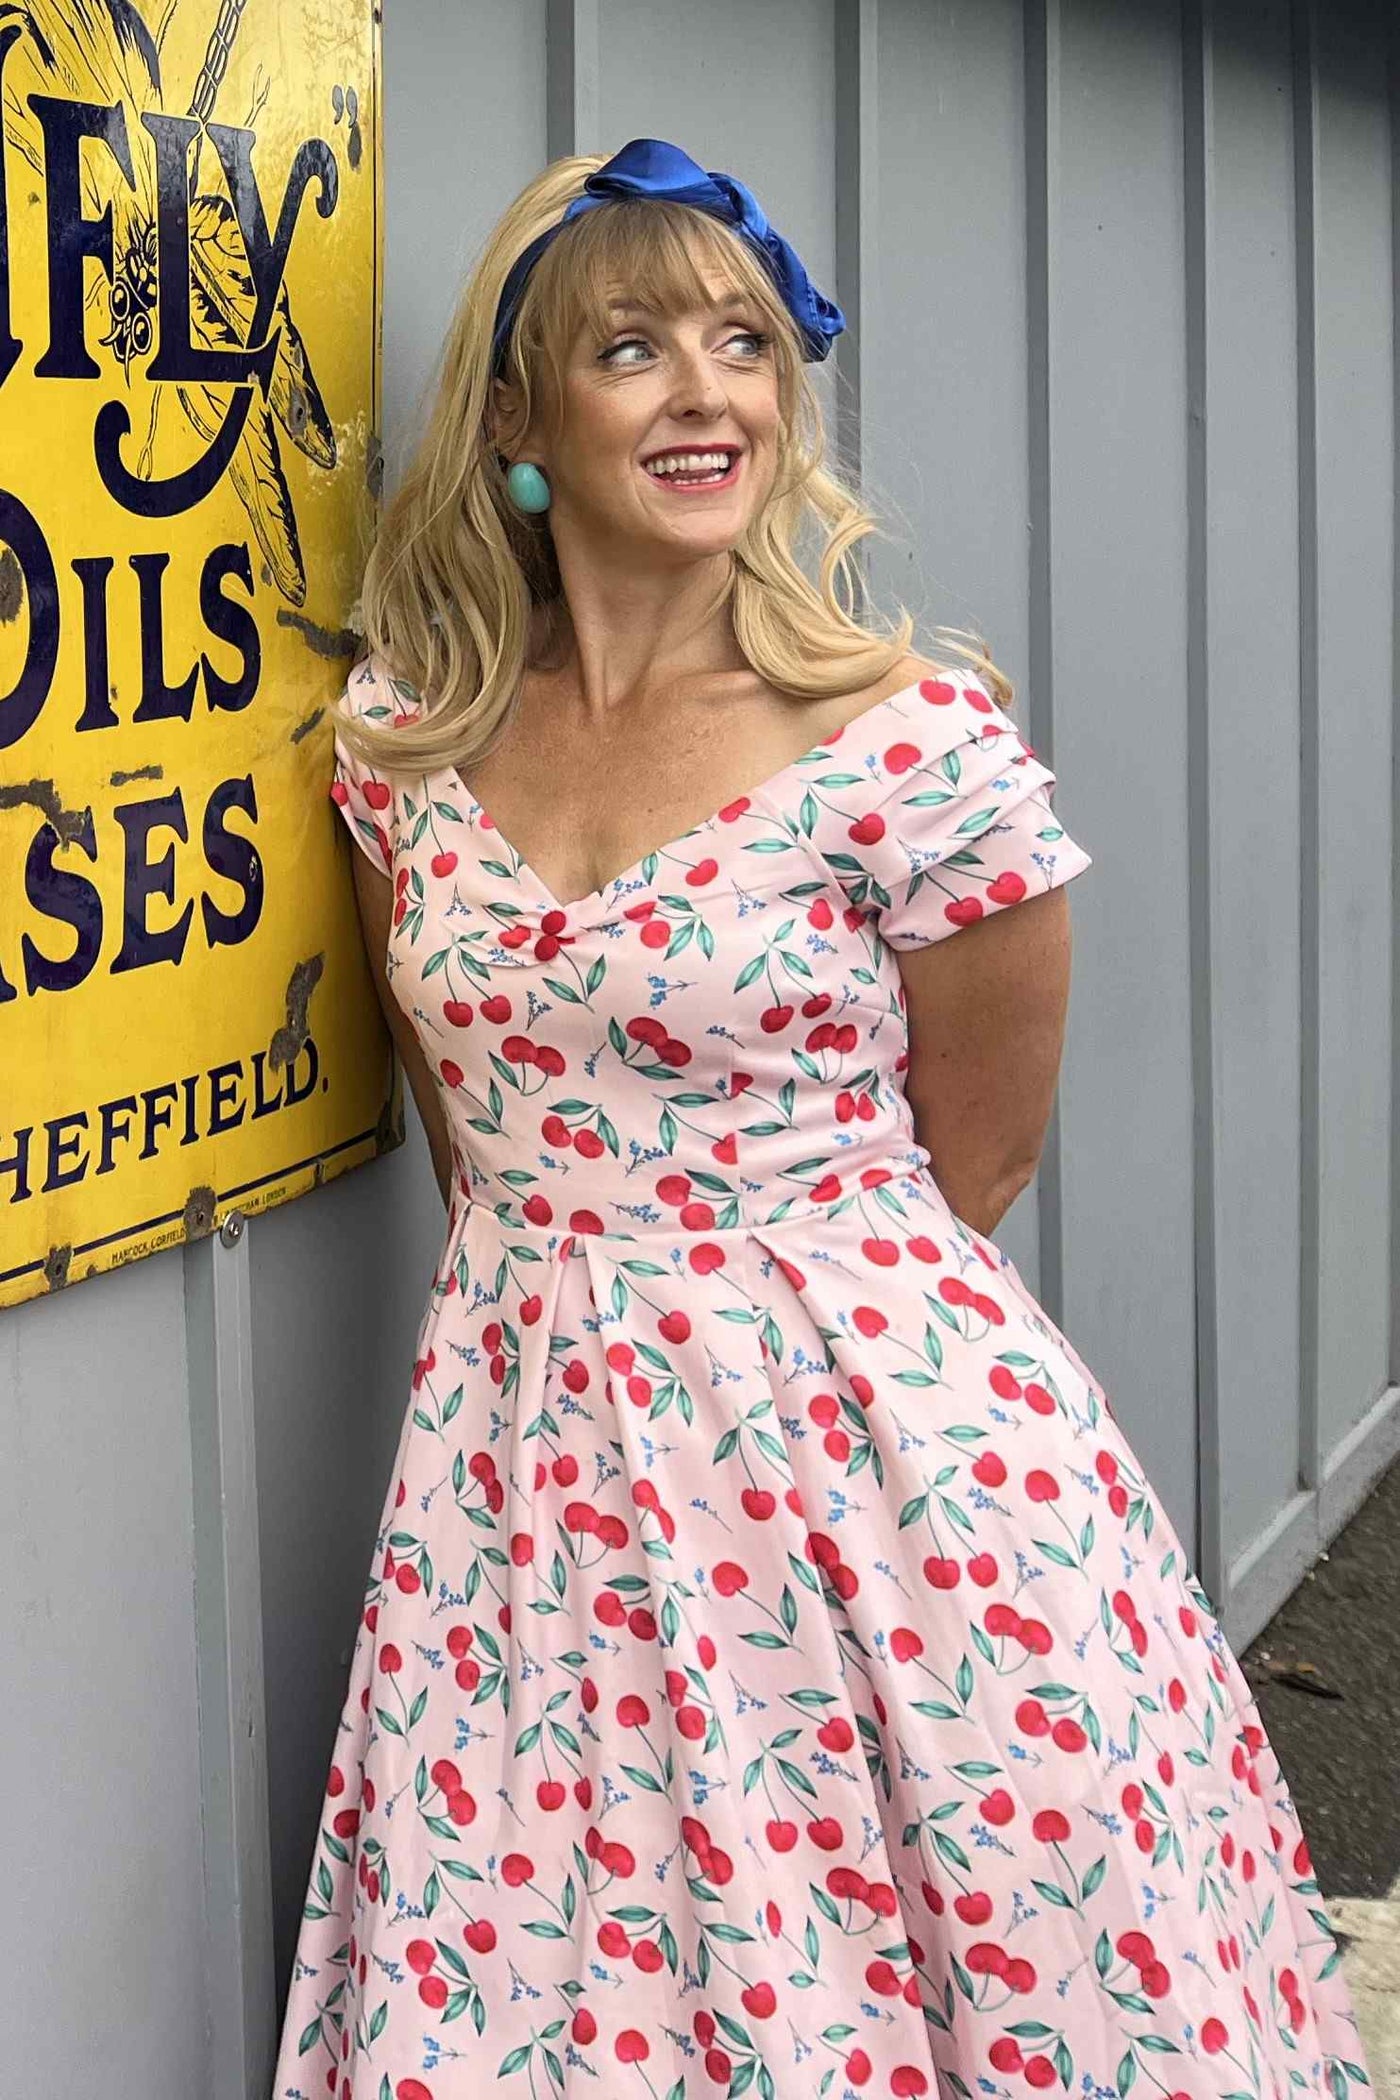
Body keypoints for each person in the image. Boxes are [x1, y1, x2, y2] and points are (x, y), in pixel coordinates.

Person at [272, 139, 1369, 2100]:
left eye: (747, 344)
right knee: (579, 1965)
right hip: (528, 1477)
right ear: (517, 418)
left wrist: (758, 1342)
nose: (710, 393)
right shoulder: (402, 756)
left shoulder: (913, 744)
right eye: (635, 348)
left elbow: (984, 1159)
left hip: (877, 1472)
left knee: (932, 1950)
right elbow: (473, 1144)